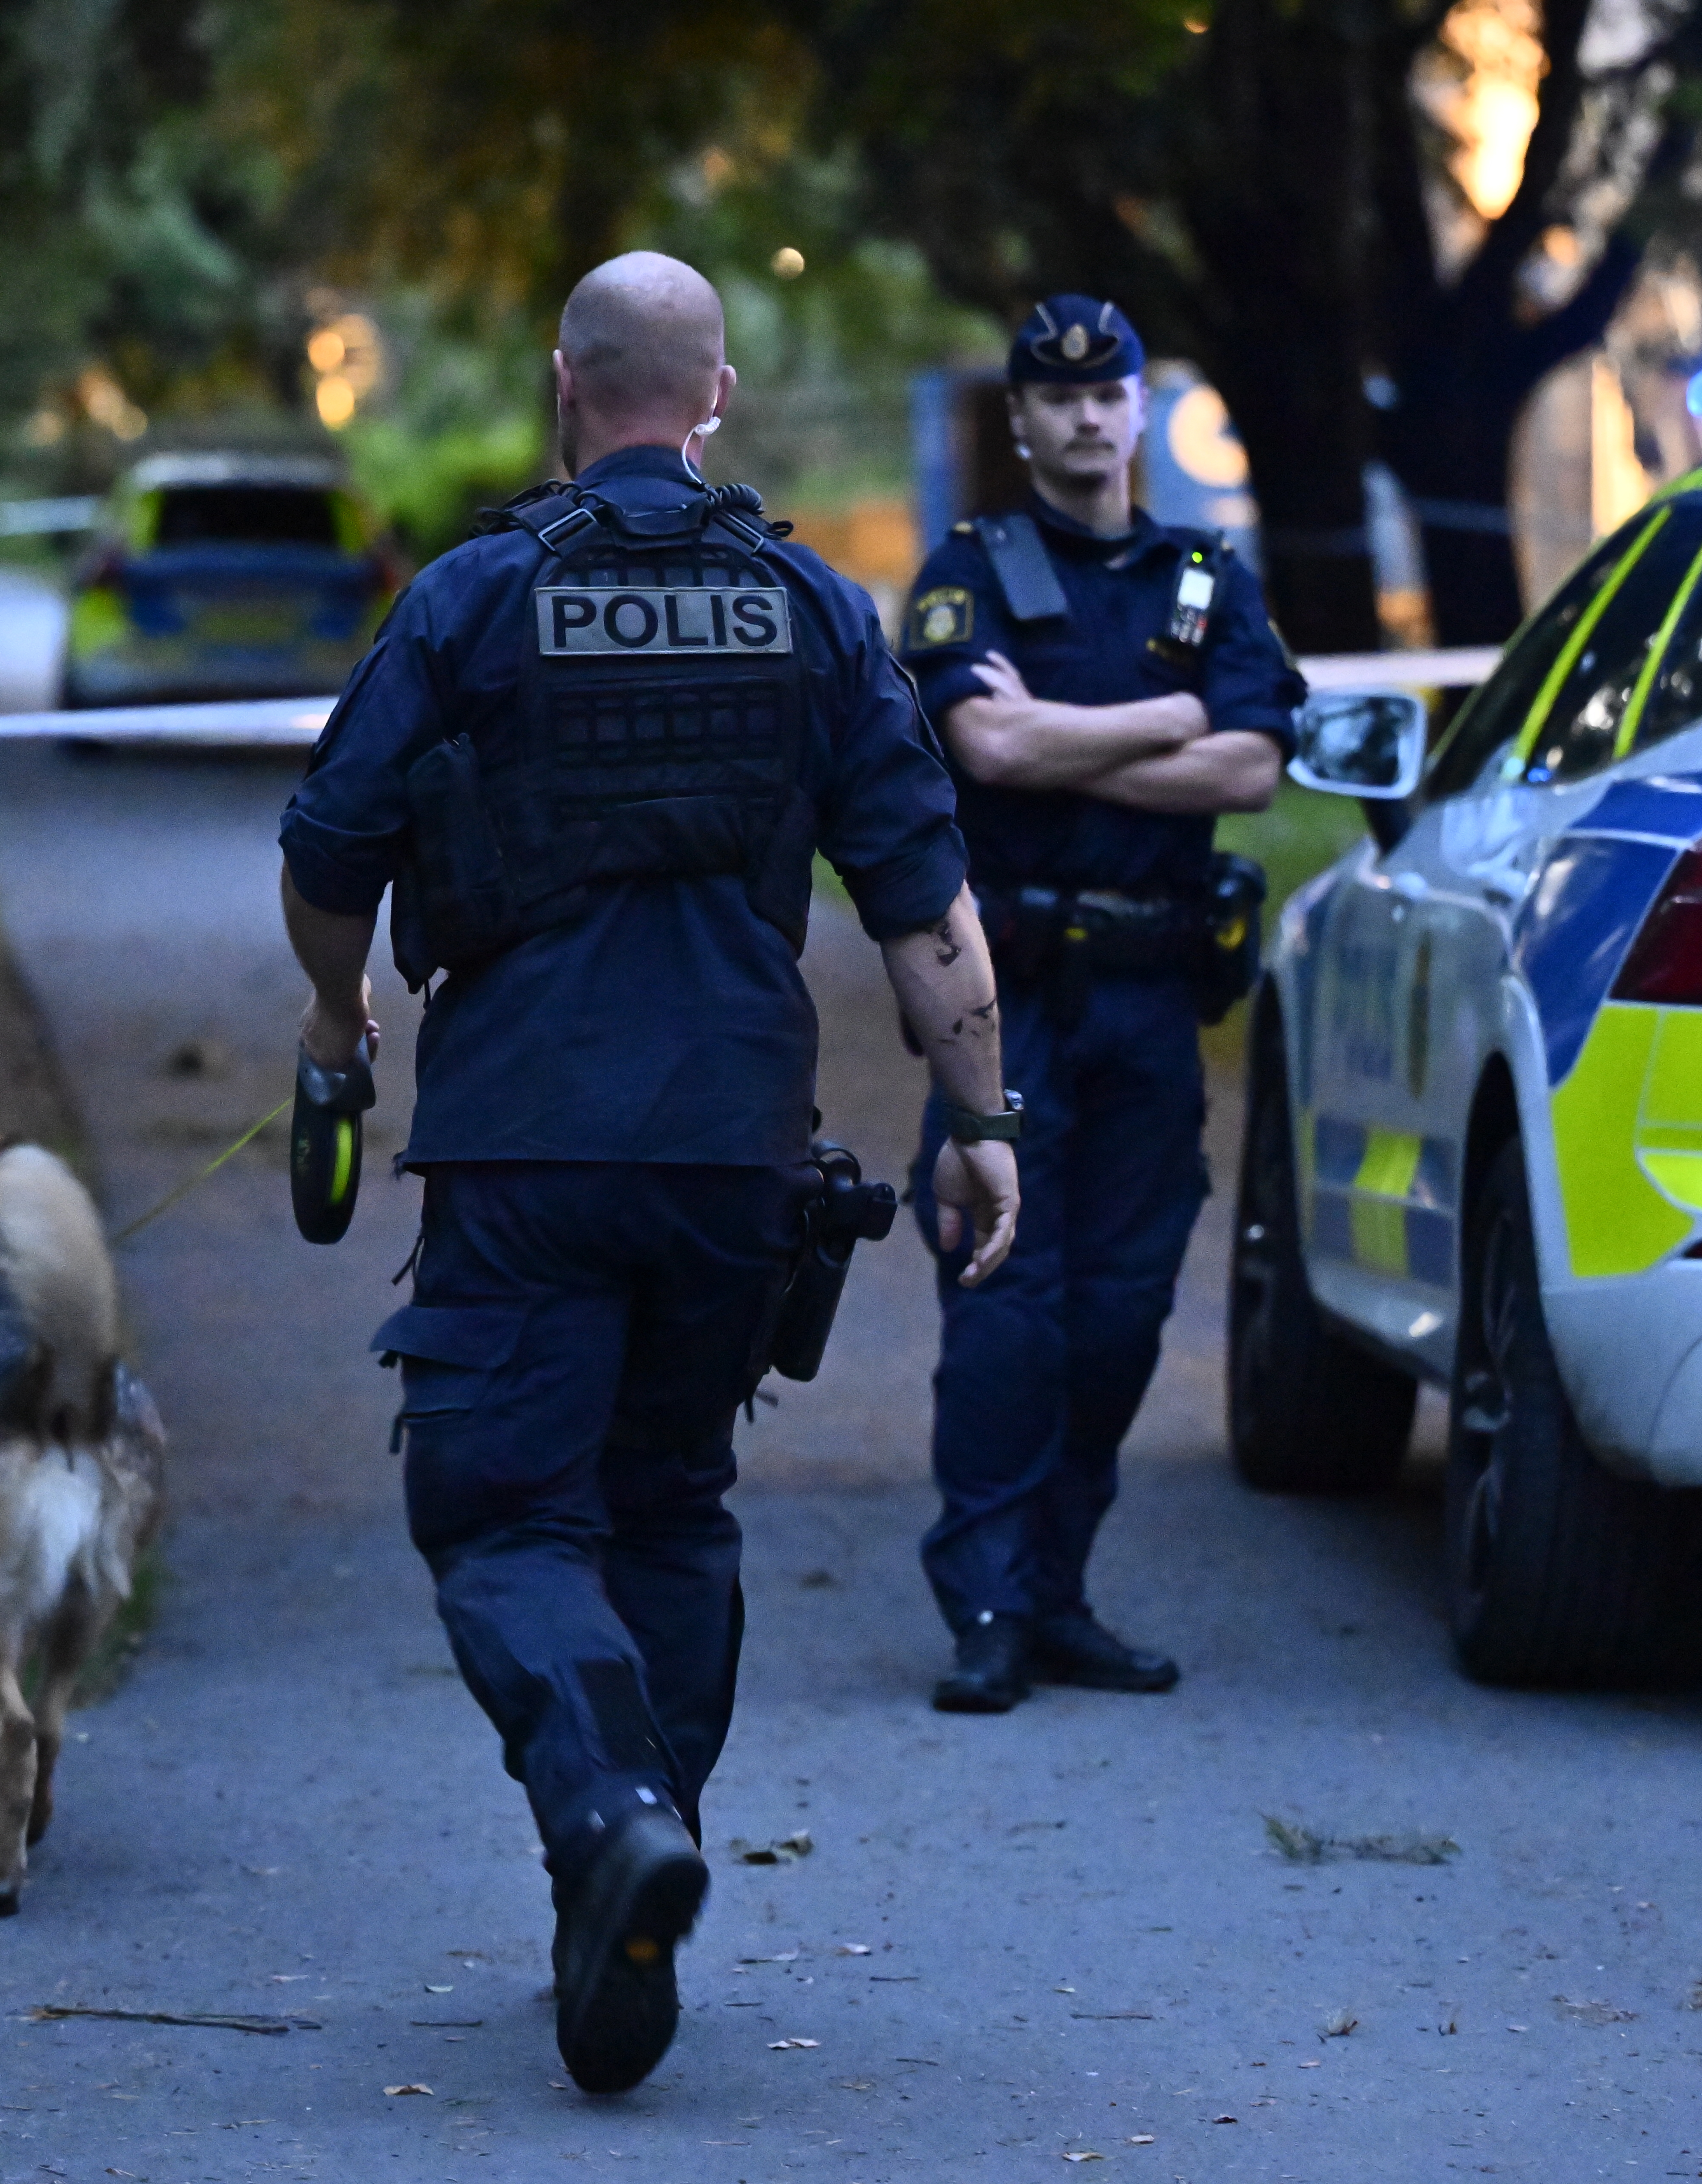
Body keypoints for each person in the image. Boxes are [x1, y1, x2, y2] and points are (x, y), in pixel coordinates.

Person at [276, 253, 1021, 2098]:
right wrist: (986, 1119)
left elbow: (329, 839)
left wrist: (334, 1023)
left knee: (506, 1517)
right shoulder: (813, 611)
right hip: (728, 1148)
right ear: (718, 398)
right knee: (674, 1504)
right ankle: (621, 1870)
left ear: (564, 383)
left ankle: (611, 1815)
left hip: (524, 1139)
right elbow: (926, 903)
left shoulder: (473, 598)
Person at [895, 294, 1300, 1715]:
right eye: (1052, 397)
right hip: (1002, 999)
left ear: (1137, 409)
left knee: (1123, 1315)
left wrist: (1074, 746)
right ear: (1020, 421)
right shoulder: (972, 573)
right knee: (1009, 1306)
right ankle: (988, 1606)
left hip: (1148, 999)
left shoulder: (1207, 577)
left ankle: (1061, 1590)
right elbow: (984, 746)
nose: (1082, 415)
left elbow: (1252, 772)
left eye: (1105, 392)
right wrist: (1169, 721)